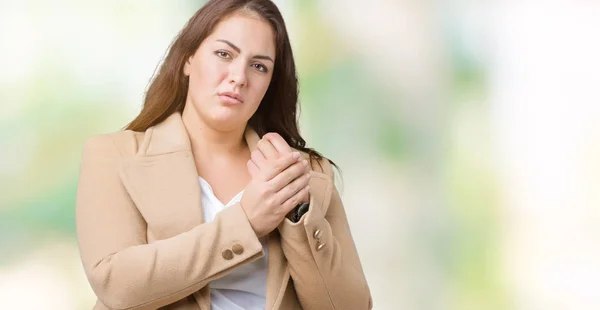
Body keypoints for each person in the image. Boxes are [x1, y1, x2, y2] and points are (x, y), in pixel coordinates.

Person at [75, 0, 372, 309]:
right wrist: (246, 223)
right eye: (224, 54)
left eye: (259, 66)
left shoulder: (306, 173)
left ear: (271, 83)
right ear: (188, 59)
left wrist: (299, 215)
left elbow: (350, 306)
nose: (239, 77)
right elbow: (117, 286)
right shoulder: (113, 155)